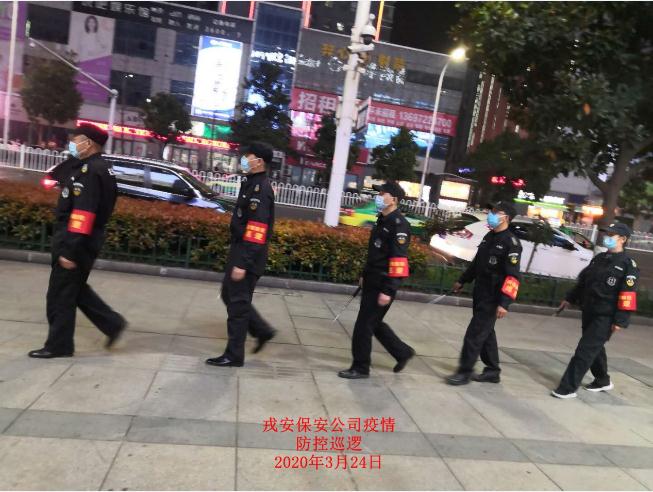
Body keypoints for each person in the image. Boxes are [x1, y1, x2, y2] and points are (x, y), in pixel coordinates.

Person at [29, 124, 126, 358]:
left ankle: (59, 345)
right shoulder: (95, 166)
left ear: (89, 143)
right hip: (82, 239)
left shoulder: (91, 171)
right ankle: (112, 323)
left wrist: (69, 251)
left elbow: (84, 213)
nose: (72, 143)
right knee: (74, 289)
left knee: (60, 295)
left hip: (76, 241)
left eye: (76, 140)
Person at [206, 142, 277, 368]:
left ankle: (234, 355)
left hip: (248, 254)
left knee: (237, 305)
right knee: (229, 295)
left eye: (249, 156)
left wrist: (243, 263)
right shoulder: (250, 182)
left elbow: (257, 230)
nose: (245, 160)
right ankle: (262, 330)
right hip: (241, 249)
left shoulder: (260, 189)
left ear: (260, 162)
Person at [551, 223, 639, 399]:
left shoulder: (628, 264)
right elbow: (584, 282)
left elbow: (628, 295)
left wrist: (620, 320)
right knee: (594, 347)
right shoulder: (599, 259)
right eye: (607, 234)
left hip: (606, 316)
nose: (607, 237)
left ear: (623, 239)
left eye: (612, 235)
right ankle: (602, 380)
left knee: (585, 350)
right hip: (589, 310)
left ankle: (567, 388)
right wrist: (569, 298)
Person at [338, 182, 416, 379]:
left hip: (383, 283)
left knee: (363, 326)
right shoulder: (382, 219)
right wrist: (364, 274)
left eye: (383, 193)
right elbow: (375, 254)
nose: (378, 196)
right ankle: (402, 352)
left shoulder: (399, 224)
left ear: (394, 199)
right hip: (372, 279)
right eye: (378, 193)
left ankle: (361, 367)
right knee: (374, 323)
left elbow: (399, 260)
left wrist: (388, 290)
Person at [446, 201, 523, 385]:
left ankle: (464, 372)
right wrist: (462, 280)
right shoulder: (489, 236)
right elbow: (477, 263)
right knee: (486, 333)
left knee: (475, 333)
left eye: (496, 212)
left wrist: (504, 303)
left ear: (506, 218)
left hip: (493, 297)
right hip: (481, 292)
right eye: (492, 211)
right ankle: (492, 371)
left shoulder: (511, 243)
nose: (491, 214)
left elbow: (513, 276)